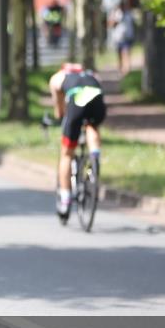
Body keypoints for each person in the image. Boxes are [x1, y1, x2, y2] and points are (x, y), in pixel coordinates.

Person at [48, 63, 105, 220]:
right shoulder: (91, 74)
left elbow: (59, 110)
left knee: (67, 153)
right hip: (96, 98)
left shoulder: (58, 77)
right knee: (92, 126)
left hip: (77, 102)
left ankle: (65, 200)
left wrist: (61, 119)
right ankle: (94, 157)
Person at [108, 3, 135, 76]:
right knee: (120, 53)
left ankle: (126, 70)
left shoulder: (128, 14)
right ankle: (121, 69)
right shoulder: (116, 14)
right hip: (119, 38)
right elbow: (110, 25)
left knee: (125, 53)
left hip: (126, 37)